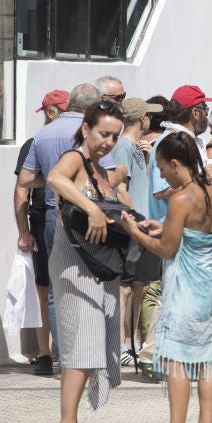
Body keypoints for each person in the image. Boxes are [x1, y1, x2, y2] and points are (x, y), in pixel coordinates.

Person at [122, 132, 212, 423]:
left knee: (176, 360)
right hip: (210, 283)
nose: (160, 174)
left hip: (184, 286)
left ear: (174, 164)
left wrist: (136, 233)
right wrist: (160, 225)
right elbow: (193, 233)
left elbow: (167, 248)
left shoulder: (181, 198)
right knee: (209, 357)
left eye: (160, 168)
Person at [47, 101, 132, 419]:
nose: (108, 141)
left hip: (98, 263)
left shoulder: (99, 168)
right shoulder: (75, 157)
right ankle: (68, 419)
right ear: (85, 129)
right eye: (103, 133)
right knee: (80, 346)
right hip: (74, 259)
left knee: (93, 343)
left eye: (115, 136)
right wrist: (93, 208)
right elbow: (56, 178)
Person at [15, 83, 106, 374]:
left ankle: (66, 359)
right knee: (92, 282)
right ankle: (89, 354)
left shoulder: (42, 134)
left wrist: (54, 180)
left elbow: (26, 181)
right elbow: (112, 176)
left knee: (55, 289)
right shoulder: (94, 131)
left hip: (54, 217)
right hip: (89, 213)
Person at [13, 91, 69, 375]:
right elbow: (21, 187)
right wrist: (24, 231)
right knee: (44, 289)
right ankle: (45, 353)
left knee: (53, 289)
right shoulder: (34, 143)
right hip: (41, 221)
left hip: (52, 219)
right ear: (52, 113)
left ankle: (55, 352)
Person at [109, 97, 164, 367]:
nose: (150, 120)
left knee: (140, 286)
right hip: (131, 225)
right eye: (148, 116)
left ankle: (134, 342)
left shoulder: (136, 148)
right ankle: (122, 343)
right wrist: (135, 220)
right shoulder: (122, 147)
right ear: (141, 118)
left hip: (142, 226)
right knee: (126, 288)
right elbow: (120, 189)